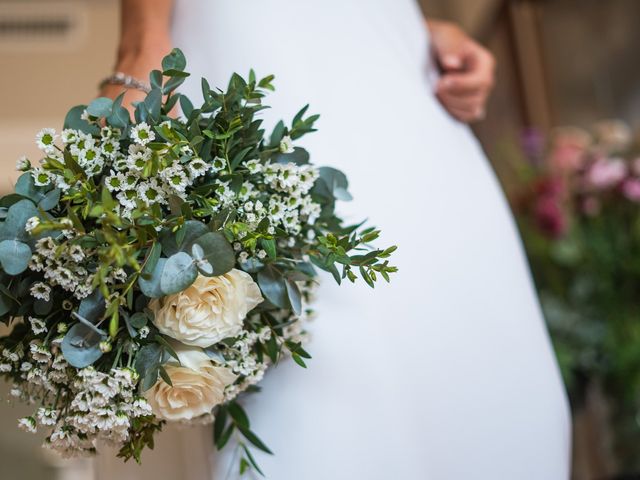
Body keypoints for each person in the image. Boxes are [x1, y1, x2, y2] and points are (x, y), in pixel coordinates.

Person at [97, 1, 571, 478]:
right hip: (249, 32)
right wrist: (142, 44)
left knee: (477, 349)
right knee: (325, 367)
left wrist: (422, 28)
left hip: (393, 60)